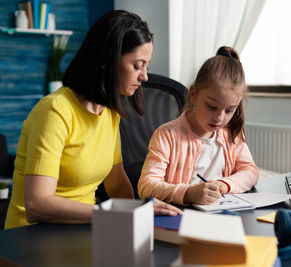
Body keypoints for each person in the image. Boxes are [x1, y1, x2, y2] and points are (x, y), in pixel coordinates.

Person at [5, 10, 181, 230]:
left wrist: (140, 221)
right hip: (34, 235)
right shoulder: (55, 111)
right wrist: (116, 214)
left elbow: (116, 182)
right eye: (137, 66)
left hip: (83, 228)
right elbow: (37, 204)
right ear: (106, 61)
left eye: (146, 66)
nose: (144, 76)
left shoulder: (109, 111)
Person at [138, 46, 259, 205]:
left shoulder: (231, 135)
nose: (219, 118)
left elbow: (251, 172)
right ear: (194, 94)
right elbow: (146, 186)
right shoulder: (166, 135)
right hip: (180, 217)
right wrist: (187, 193)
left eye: (229, 110)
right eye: (212, 107)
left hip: (222, 215)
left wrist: (224, 185)